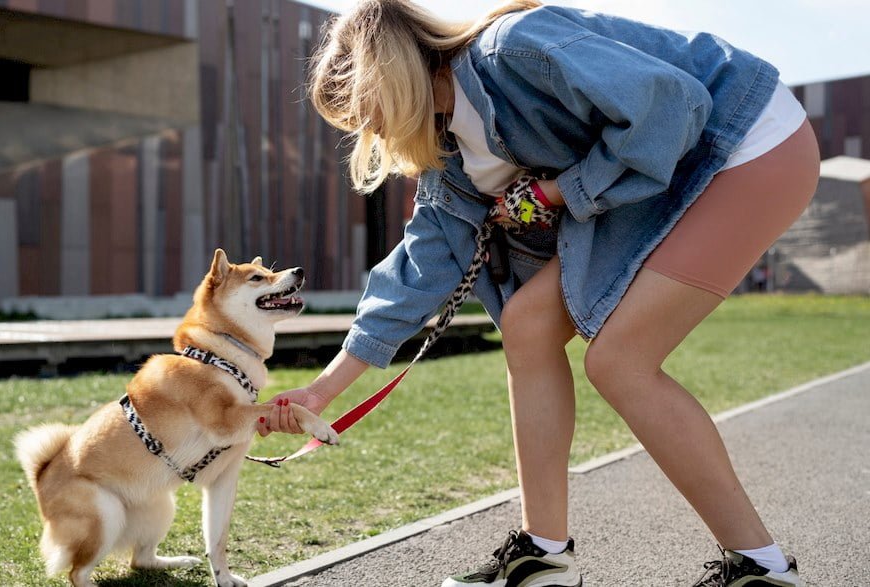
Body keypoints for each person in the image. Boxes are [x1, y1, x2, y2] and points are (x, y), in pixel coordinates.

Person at [259, 1, 819, 585]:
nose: (372, 133)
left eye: (366, 114)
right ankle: (544, 556)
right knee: (526, 325)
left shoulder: (516, 49)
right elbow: (416, 273)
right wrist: (322, 392)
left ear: (387, 75)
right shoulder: (447, 157)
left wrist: (559, 191)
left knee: (621, 363)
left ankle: (762, 568)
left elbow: (672, 107)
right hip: (675, 170)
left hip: (746, 141)